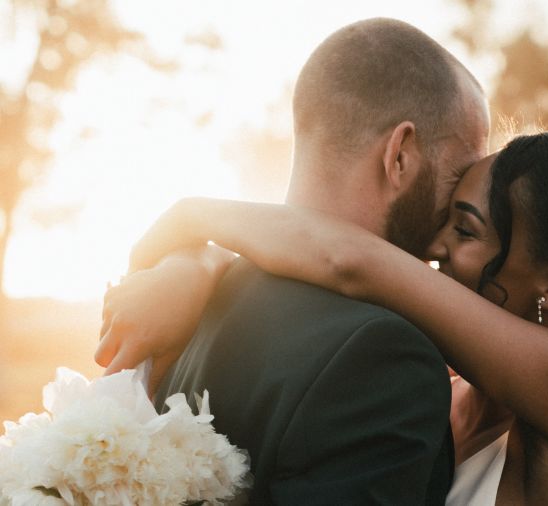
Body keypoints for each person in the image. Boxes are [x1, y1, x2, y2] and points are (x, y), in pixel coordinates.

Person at [102, 131, 548, 505]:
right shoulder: (457, 386)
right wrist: (195, 269)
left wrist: (191, 221)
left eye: (464, 229)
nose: (432, 246)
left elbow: (351, 262)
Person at [96, 18, 490, 504]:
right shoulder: (384, 356)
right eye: (459, 176)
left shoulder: (199, 299)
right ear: (401, 156)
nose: (450, 226)